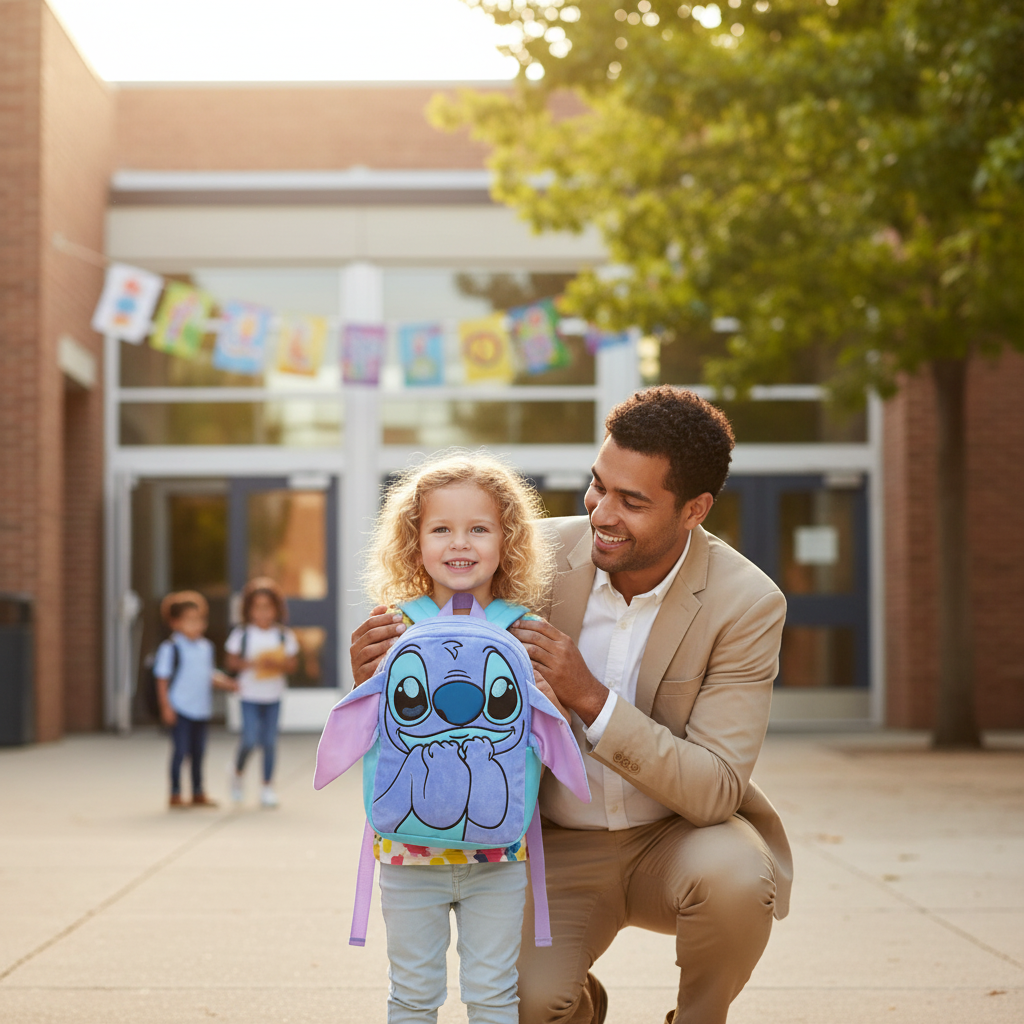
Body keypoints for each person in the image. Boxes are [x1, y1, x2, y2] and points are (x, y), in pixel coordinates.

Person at [350, 386, 793, 1024]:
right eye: (597, 486)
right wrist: (378, 668)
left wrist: (589, 696)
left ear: (694, 509)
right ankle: (579, 1007)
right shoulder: (530, 555)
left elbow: (718, 788)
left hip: (677, 836)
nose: (601, 513)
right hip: (553, 840)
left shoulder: (746, 602)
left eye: (632, 501)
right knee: (521, 1003)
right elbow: (441, 634)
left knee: (738, 881)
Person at [357, 451, 570, 1024]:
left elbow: (552, 732)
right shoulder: (392, 628)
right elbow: (368, 724)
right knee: (412, 994)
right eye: (441, 529)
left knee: (494, 993)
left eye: (479, 529)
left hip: (499, 854)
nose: (460, 543)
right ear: (414, 543)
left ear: (508, 541)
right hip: (407, 851)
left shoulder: (525, 632)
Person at [154, 591, 238, 809]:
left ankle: (198, 791)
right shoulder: (171, 648)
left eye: (200, 619)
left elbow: (208, 675)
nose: (197, 625)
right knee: (180, 751)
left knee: (199, 753)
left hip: (201, 709)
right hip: (180, 708)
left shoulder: (206, 647)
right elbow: (162, 679)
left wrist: (228, 684)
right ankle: (175, 792)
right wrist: (166, 706)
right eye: (190, 620)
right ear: (175, 623)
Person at [225, 577, 299, 809]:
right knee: (249, 738)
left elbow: (292, 665)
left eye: (268, 607)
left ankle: (267, 786)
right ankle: (237, 772)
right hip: (249, 695)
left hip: (273, 695)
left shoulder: (283, 636)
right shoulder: (242, 635)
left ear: (277, 609)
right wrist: (253, 664)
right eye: (257, 607)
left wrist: (276, 664)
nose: (263, 612)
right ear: (248, 610)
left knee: (269, 741)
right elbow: (231, 662)